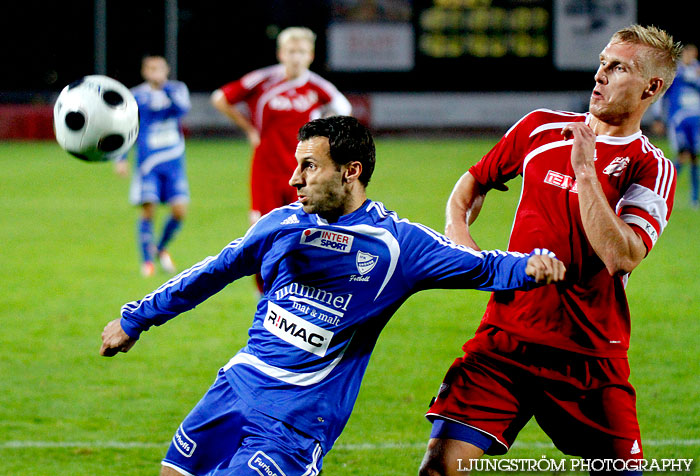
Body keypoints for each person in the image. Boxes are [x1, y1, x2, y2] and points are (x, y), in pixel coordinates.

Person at [100, 116, 565, 476]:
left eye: (309, 166)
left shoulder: (397, 245)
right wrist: (136, 319)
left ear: (350, 172)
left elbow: (481, 266)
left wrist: (531, 263)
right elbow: (211, 272)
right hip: (234, 386)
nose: (294, 180)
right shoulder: (284, 224)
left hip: (297, 419)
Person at [419, 25, 680, 476]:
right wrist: (461, 241)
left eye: (617, 68)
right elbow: (472, 183)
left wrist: (585, 172)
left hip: (589, 357)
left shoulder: (650, 167)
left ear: (651, 87)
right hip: (504, 341)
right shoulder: (541, 128)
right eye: (602, 63)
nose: (600, 75)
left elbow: (623, 256)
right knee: (440, 468)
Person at [211, 26, 352, 292]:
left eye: (301, 51)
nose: (296, 57)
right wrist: (249, 128)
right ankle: (263, 296)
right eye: (291, 51)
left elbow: (344, 110)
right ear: (281, 53)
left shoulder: (317, 88)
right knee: (262, 236)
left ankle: (300, 294)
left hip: (303, 174)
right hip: (265, 170)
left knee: (306, 234)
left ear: (310, 55)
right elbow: (220, 98)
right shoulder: (263, 81)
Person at [115, 55, 191, 277]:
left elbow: (182, 109)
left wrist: (164, 88)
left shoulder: (177, 90)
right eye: (151, 68)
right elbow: (126, 127)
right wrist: (121, 159)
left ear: (166, 70)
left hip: (174, 162)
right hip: (148, 164)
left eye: (159, 68)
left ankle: (160, 247)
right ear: (144, 72)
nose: (155, 72)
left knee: (179, 211)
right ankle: (147, 261)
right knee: (149, 209)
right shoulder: (136, 95)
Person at [652, 43, 700, 208]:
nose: (691, 56)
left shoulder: (697, 70)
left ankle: (694, 199)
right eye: (689, 53)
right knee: (683, 155)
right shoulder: (674, 72)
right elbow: (662, 93)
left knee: (695, 157)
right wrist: (658, 117)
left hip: (696, 119)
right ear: (683, 54)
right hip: (678, 119)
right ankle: (660, 188)